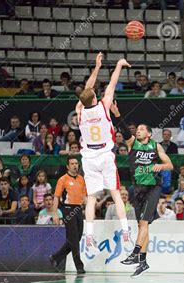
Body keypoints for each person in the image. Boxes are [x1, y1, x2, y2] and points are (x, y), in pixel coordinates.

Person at [74, 53, 132, 255]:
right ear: (95, 97)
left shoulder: (79, 110)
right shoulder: (104, 105)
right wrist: (118, 65)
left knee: (91, 198)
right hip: (106, 155)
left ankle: (88, 236)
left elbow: (87, 91)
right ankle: (125, 232)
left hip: (89, 157)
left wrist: (96, 67)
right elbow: (112, 84)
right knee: (116, 193)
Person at [119, 122, 174, 277]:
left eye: (142, 129)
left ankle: (135, 253)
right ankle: (143, 262)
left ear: (149, 134)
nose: (138, 131)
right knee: (143, 226)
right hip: (137, 189)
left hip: (152, 188)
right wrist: (116, 114)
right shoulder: (133, 144)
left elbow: (169, 165)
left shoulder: (156, 146)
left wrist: (160, 166)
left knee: (143, 223)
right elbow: (123, 130)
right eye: (137, 129)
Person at [50, 156, 87, 274]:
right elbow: (56, 197)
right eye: (72, 164)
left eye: (76, 163)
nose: (75, 166)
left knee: (77, 237)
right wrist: (55, 213)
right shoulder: (63, 179)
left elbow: (84, 196)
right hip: (68, 209)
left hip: (78, 209)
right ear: (67, 166)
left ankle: (56, 257)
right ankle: (79, 266)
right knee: (74, 239)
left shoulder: (81, 179)